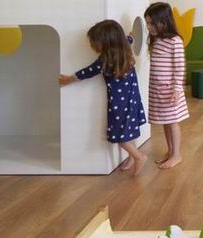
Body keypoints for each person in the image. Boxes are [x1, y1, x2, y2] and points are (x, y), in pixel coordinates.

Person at [58, 20, 147, 176]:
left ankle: (139, 157)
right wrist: (131, 36)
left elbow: (87, 72)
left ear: (107, 42)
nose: (92, 45)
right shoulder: (124, 47)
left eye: (94, 42)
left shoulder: (105, 59)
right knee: (128, 130)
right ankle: (132, 157)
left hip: (119, 103)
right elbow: (129, 38)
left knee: (120, 136)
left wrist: (69, 79)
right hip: (132, 98)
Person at [144, 2, 189, 169]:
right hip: (157, 89)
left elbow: (179, 67)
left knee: (172, 122)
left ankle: (177, 154)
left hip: (169, 90)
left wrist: (177, 89)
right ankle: (170, 152)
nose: (149, 27)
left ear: (164, 21)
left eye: (152, 23)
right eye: (147, 23)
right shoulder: (156, 39)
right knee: (165, 121)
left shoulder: (174, 41)